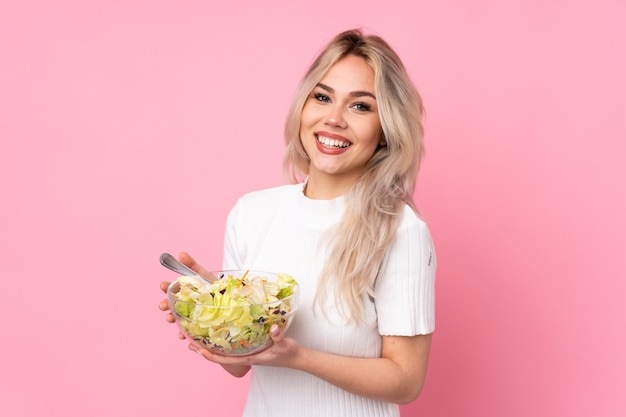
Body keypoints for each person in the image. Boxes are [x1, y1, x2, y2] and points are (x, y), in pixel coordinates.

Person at [159, 28, 436, 417]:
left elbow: (406, 381)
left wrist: (299, 357)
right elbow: (240, 364)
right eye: (322, 97)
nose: (334, 119)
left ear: (386, 129)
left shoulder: (401, 231)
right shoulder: (251, 213)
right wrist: (213, 311)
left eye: (360, 106)